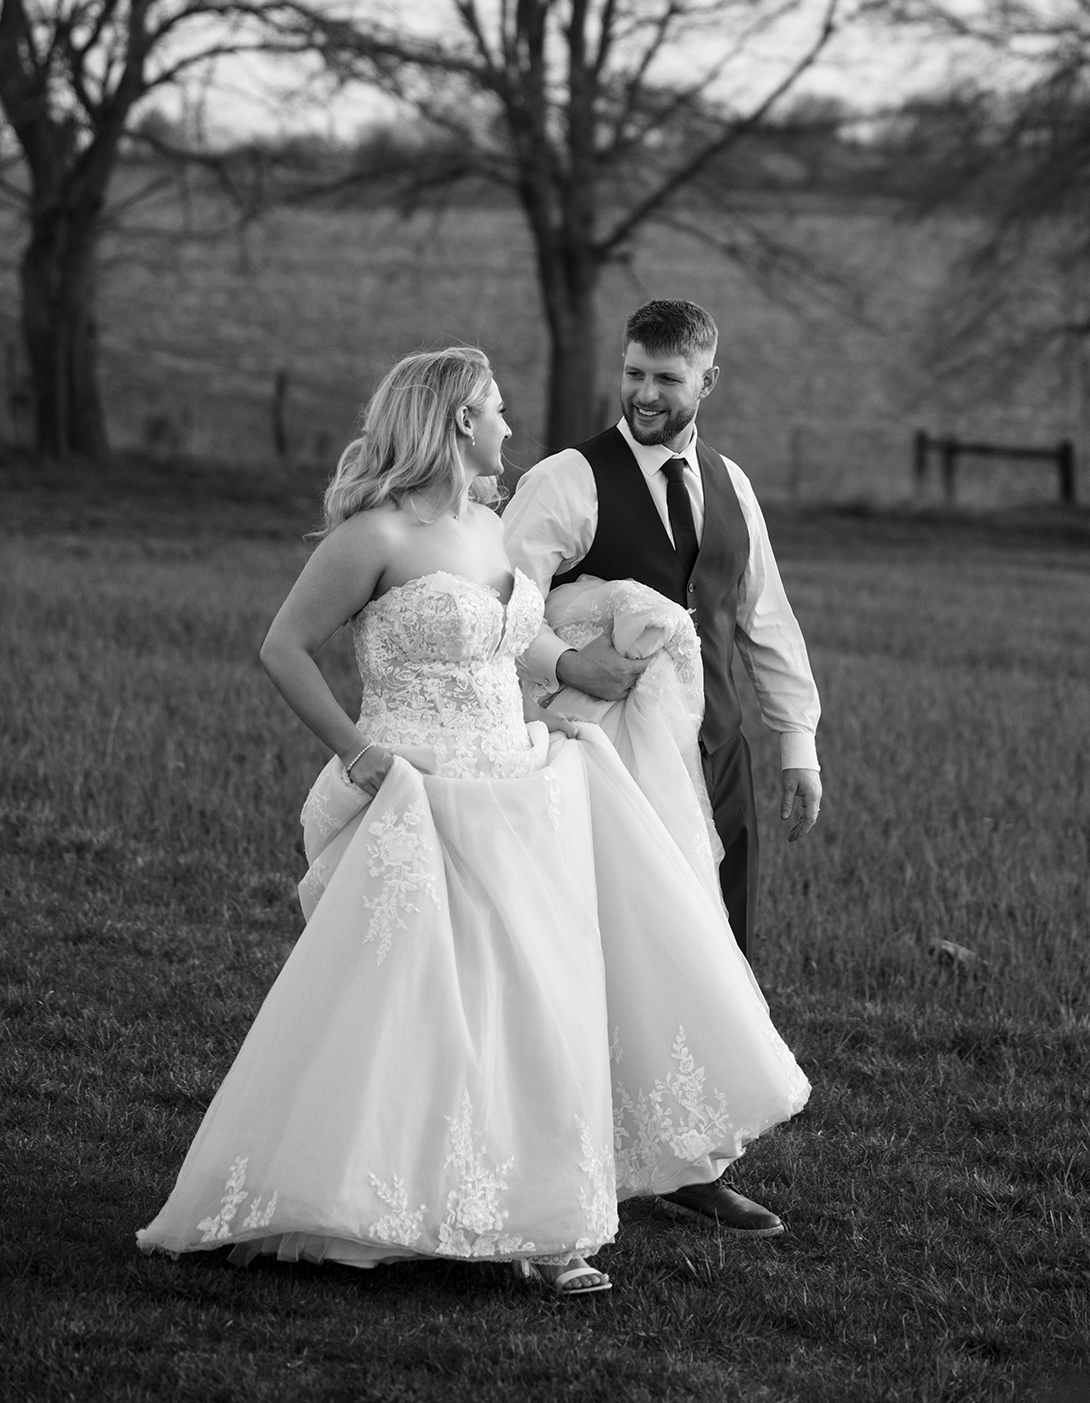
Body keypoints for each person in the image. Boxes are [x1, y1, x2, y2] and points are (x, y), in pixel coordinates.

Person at [136, 347, 808, 1298]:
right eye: (494, 409)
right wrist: (362, 755)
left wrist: (571, 685)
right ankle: (375, 1195)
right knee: (421, 1010)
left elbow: (512, 640)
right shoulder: (374, 537)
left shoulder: (491, 529)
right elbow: (283, 648)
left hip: (518, 784)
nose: (507, 425)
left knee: (540, 997)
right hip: (424, 793)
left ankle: (546, 1222)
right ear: (458, 421)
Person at [501, 298, 821, 1238]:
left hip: (718, 761)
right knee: (604, 952)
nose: (644, 393)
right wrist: (562, 665)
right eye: (634, 373)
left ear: (706, 383)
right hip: (606, 764)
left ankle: (698, 1161)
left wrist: (796, 744)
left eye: (666, 379)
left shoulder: (732, 486)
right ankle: (573, 1144)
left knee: (717, 954)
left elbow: (764, 622)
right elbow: (497, 605)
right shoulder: (566, 480)